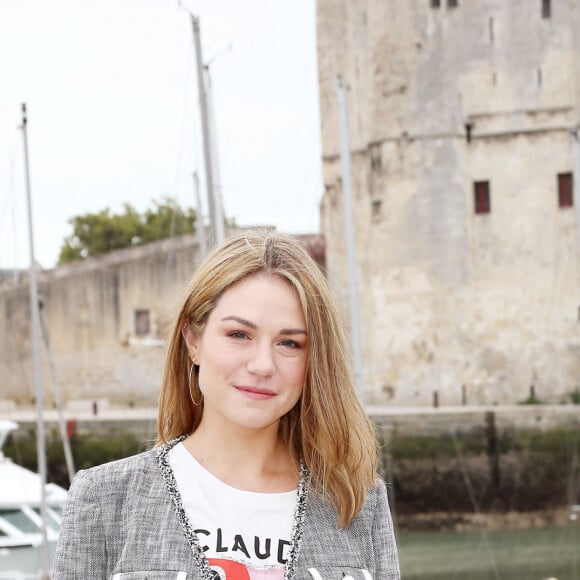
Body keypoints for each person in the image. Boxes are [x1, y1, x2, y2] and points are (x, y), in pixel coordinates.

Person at [53, 230, 400, 580]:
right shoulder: (104, 499)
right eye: (239, 335)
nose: (263, 364)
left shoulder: (358, 503)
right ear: (193, 340)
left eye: (290, 343)